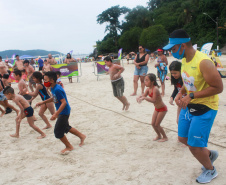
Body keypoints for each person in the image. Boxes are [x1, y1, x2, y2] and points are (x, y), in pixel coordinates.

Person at [163, 29, 223, 183]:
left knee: (194, 146)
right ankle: (209, 154)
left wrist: (191, 96)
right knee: (183, 138)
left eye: (173, 49)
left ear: (183, 45)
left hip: (206, 107)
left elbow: (218, 88)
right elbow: (188, 81)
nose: (172, 52)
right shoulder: (184, 60)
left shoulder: (203, 62)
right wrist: (180, 92)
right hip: (189, 105)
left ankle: (210, 170)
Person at [36, 71, 86, 154]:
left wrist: (55, 114)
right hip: (62, 111)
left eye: (45, 80)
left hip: (64, 112)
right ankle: (82, 136)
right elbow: (54, 98)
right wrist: (42, 102)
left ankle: (69, 146)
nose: (44, 82)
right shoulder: (53, 87)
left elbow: (64, 102)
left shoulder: (57, 89)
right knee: (66, 127)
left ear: (51, 80)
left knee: (58, 132)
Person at [136, 73, 168, 142]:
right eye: (145, 80)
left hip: (162, 109)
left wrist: (144, 98)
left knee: (157, 124)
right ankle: (159, 135)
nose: (145, 82)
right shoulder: (148, 89)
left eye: (147, 80)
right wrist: (139, 97)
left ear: (152, 82)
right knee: (153, 124)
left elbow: (153, 100)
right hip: (157, 108)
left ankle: (165, 137)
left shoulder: (155, 89)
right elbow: (143, 96)